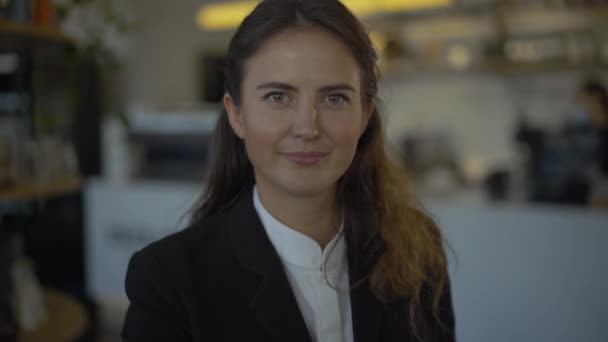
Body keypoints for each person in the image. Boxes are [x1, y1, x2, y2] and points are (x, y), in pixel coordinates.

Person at [121, 1, 455, 341]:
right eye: (278, 96)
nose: (307, 128)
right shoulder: (169, 281)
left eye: (335, 98)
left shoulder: (415, 249)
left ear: (365, 114)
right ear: (236, 114)